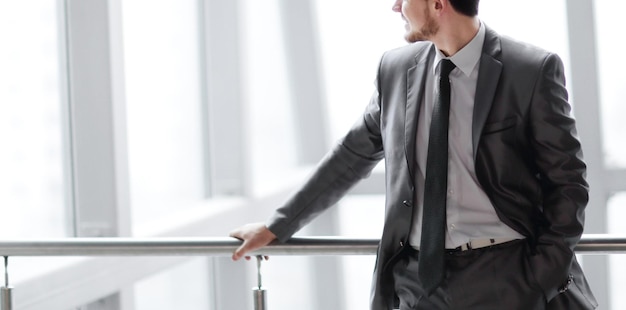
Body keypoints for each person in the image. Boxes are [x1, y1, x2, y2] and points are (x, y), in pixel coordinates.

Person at [229, 0, 598, 309]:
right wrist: (278, 224)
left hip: (505, 277)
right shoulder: (395, 69)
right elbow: (351, 156)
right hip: (418, 282)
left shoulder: (530, 71)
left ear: (438, 5)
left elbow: (568, 184)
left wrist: (538, 278)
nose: (394, 6)